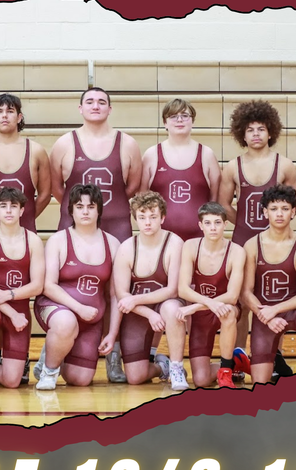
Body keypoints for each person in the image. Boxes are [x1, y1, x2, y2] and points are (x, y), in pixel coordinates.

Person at [50, 87, 141, 383]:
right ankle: (59, 350)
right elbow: (56, 188)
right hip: (74, 222)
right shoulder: (65, 143)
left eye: (102, 102)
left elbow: (133, 187)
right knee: (72, 283)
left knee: (116, 291)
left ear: (110, 109)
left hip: (116, 223)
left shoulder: (127, 143)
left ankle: (113, 351)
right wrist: (82, 214)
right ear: (80, 108)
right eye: (90, 101)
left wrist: (107, 213)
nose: (96, 106)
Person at [219, 100, 296, 379]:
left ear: (270, 132)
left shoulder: (284, 165)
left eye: (261, 129)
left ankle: (271, 356)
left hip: (275, 244)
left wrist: (274, 231)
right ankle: (238, 358)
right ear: (242, 133)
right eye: (250, 129)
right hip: (242, 241)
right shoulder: (232, 167)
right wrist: (242, 222)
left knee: (273, 296)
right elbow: (223, 204)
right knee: (241, 301)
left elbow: (293, 203)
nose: (255, 134)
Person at [33, 183, 120, 390]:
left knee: (80, 379)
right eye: (79, 206)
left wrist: (111, 334)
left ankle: (54, 349)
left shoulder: (113, 244)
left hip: (90, 321)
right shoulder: (58, 240)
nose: (85, 211)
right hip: (55, 308)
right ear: (71, 210)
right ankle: (49, 372)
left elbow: (115, 295)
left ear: (99, 209)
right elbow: (48, 286)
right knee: (65, 322)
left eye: (91, 206)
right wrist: (78, 308)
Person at [242, 184, 296, 385]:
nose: (279, 214)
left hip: (292, 310)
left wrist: (275, 310)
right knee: (259, 382)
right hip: (264, 314)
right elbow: (245, 292)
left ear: (294, 211)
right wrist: (266, 316)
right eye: (274, 209)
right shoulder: (252, 245)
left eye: (285, 209)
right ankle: (273, 357)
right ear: (264, 212)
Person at [0, 187, 45, 395]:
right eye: (3, 206)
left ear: (22, 211)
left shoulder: (34, 241)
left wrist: (9, 295)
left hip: (19, 309)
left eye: (14, 206)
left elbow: (38, 285)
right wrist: (10, 310)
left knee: (12, 382)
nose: (9, 211)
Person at [113, 191, 186, 390]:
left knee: (172, 308)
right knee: (135, 377)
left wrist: (138, 301)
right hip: (139, 311)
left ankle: (177, 368)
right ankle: (162, 367)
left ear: (162, 217)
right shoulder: (127, 248)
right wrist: (147, 312)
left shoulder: (174, 243)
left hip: (164, 304)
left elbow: (172, 289)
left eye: (153, 217)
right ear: (135, 219)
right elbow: (122, 295)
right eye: (142, 217)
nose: (147, 222)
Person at [177, 202, 247, 389]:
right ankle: (235, 365)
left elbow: (232, 296)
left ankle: (225, 371)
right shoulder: (190, 247)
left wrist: (195, 305)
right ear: (200, 225)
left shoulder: (237, 252)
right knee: (200, 380)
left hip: (224, 307)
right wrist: (207, 304)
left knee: (228, 311)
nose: (213, 227)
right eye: (208, 223)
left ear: (225, 224)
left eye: (217, 222)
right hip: (202, 314)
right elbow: (183, 289)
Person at [0, 93, 51, 237]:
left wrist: (26, 216)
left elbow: (45, 194)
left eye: (10, 111)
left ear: (19, 117)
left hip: (26, 233)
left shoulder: (37, 151)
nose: (4, 116)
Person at [141, 98, 220, 240]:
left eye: (185, 116)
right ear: (165, 123)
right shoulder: (151, 155)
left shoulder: (207, 154)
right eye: (173, 116)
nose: (179, 120)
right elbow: (141, 200)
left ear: (192, 121)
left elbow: (215, 201)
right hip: (160, 239)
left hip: (199, 239)